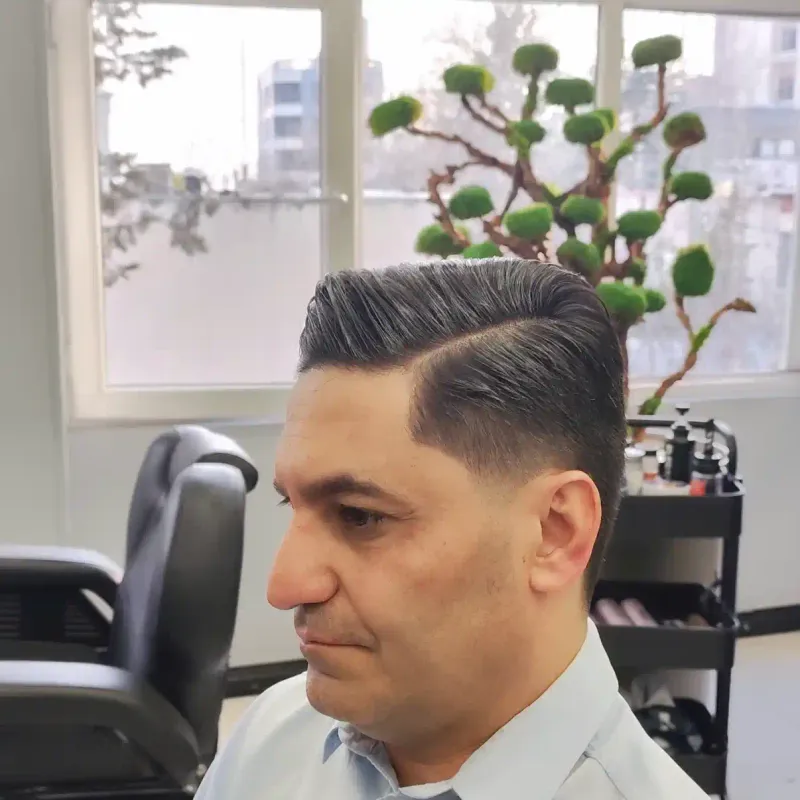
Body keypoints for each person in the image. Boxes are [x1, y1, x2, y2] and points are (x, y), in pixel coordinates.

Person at [195, 258, 707, 799]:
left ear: (554, 532)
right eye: (291, 503)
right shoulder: (271, 737)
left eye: (360, 516)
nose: (284, 587)